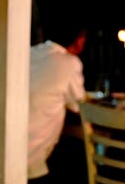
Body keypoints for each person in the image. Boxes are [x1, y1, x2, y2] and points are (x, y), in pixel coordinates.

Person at [27, 22, 87, 183]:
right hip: (31, 158)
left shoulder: (30, 52)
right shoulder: (70, 63)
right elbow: (79, 106)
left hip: (0, 145)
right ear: (79, 40)